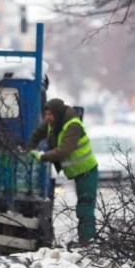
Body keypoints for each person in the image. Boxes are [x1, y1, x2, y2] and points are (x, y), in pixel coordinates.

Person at [28, 98, 99, 246]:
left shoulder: (73, 126)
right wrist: (30, 148)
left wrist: (43, 156)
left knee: (85, 206)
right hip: (78, 172)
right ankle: (87, 239)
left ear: (58, 113)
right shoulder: (54, 124)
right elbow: (37, 134)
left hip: (87, 171)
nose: (47, 118)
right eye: (46, 114)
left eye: (50, 115)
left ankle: (87, 240)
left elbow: (65, 150)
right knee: (84, 206)